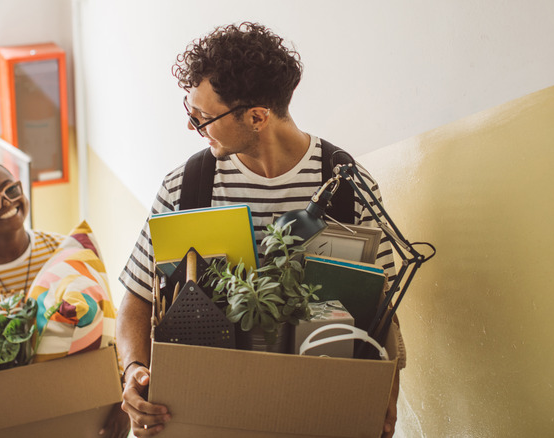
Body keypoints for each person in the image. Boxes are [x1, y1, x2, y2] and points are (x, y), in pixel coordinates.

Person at [117, 22, 402, 437]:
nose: (192, 127)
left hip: (315, 414)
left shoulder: (347, 186)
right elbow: (137, 298)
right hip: (210, 415)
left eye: (202, 118)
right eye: (189, 112)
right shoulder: (186, 185)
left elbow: (384, 310)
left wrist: (384, 394)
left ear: (256, 116)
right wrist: (134, 371)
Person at [0, 162, 129, 438]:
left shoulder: (60, 250)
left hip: (72, 412)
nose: (7, 202)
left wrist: (122, 398)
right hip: (1, 423)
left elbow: (108, 321)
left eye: (11, 189)